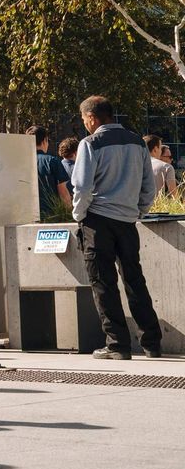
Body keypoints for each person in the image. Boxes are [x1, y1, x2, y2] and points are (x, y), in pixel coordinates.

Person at [73, 97, 162, 359]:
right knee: (135, 280)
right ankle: (152, 342)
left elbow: (82, 187)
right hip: (127, 222)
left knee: (104, 283)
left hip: (98, 221)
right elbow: (148, 186)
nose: (85, 124)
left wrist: (80, 215)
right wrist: (139, 211)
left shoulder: (90, 144)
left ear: (91, 117)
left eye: (84, 120)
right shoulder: (137, 142)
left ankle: (117, 345)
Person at [28, 125, 72, 219]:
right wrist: (69, 215)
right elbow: (63, 192)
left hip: (25, 217)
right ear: (45, 140)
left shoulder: (20, 163)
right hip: (50, 216)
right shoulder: (52, 161)